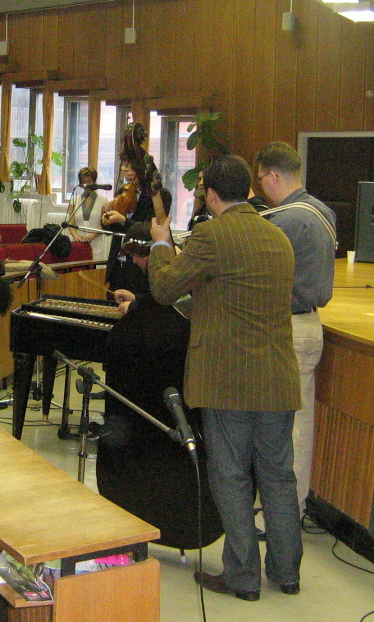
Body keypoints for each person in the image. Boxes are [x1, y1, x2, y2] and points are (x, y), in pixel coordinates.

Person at [148, 154, 301, 601]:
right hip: (277, 378)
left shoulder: (211, 235)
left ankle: (242, 577)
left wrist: (160, 245)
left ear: (211, 194)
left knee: (231, 477)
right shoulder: (278, 236)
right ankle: (287, 574)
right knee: (278, 477)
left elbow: (164, 288)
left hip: (228, 381)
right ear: (247, 190)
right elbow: (234, 297)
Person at [96, 223, 224, 550]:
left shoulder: (174, 272)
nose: (136, 264)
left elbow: (173, 307)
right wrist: (137, 303)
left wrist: (133, 311)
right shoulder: (171, 273)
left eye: (139, 257)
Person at [255, 141, 337, 519]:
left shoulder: (283, 221)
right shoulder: (323, 211)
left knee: (279, 430)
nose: (259, 188)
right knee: (297, 427)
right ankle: (290, 511)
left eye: (260, 180)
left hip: (283, 328)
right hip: (310, 323)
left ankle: (277, 514)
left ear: (273, 176)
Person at [103, 159, 172, 294]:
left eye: (133, 169)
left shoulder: (161, 195)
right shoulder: (122, 192)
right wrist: (107, 218)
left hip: (140, 267)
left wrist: (123, 220)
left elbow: (149, 229)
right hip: (118, 264)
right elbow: (110, 231)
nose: (129, 173)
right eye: (125, 168)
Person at [66, 166, 110, 262]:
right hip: (78, 243)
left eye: (89, 181)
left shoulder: (103, 201)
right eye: (84, 181)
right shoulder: (74, 200)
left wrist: (91, 237)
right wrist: (76, 236)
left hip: (95, 243)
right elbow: (70, 222)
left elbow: (103, 224)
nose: (86, 184)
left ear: (94, 181)